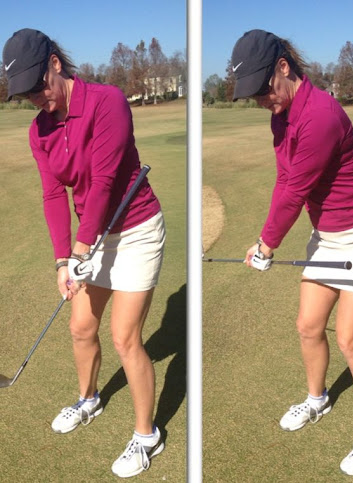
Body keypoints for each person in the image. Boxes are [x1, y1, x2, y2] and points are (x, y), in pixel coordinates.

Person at [230, 29, 353, 476]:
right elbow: (284, 180)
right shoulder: (281, 116)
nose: (261, 100)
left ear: (284, 67)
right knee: (308, 326)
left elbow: (296, 191)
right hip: (328, 234)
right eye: (253, 96)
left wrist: (267, 243)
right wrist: (263, 238)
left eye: (263, 89)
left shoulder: (320, 114)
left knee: (351, 339)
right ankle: (317, 399)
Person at [2, 29, 166, 478]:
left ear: (55, 64)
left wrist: (80, 247)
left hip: (136, 230)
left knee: (124, 337)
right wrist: (63, 259)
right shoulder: (39, 130)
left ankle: (146, 436)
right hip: (93, 239)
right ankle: (88, 399)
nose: (36, 99)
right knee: (80, 327)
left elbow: (106, 181)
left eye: (38, 86)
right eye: (26, 95)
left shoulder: (107, 101)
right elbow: (53, 194)